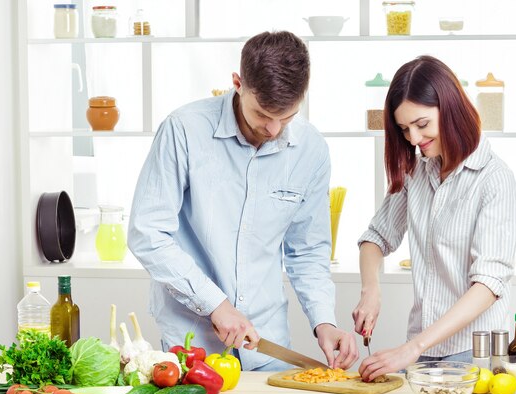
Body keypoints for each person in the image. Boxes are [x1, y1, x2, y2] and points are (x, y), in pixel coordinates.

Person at [128, 31, 358, 371]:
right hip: (193, 340)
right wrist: (215, 305)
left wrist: (323, 321)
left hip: (267, 341)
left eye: (288, 116)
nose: (275, 129)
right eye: (263, 114)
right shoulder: (184, 130)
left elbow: (307, 250)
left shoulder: (311, 149)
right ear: (237, 83)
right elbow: (147, 233)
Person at [352, 55, 516, 381]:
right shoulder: (417, 172)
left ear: (451, 108)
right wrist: (370, 290)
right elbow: (375, 237)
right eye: (404, 129)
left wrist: (412, 348)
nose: (413, 139)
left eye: (422, 124)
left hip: (475, 354)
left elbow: (488, 284)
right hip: (422, 351)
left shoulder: (494, 179)